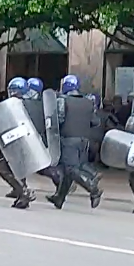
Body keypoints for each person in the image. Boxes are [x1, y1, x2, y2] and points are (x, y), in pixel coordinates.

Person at [46, 75, 103, 210]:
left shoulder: (62, 101)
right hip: (84, 141)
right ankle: (59, 198)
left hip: (69, 139)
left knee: (71, 169)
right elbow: (95, 122)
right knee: (69, 171)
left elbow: (58, 121)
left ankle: (92, 189)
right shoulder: (88, 102)